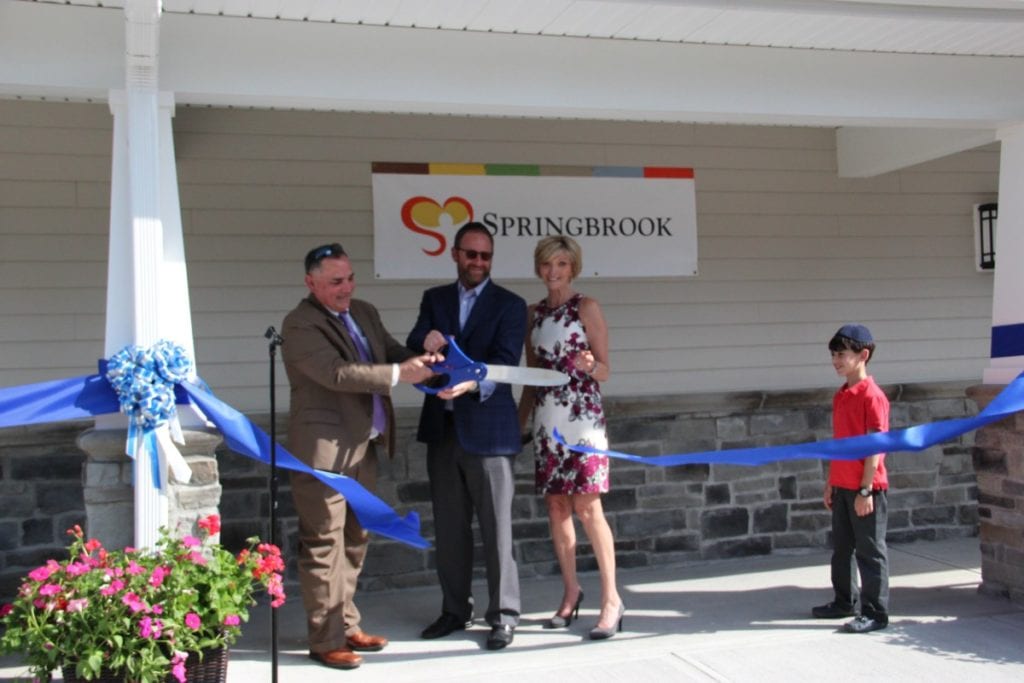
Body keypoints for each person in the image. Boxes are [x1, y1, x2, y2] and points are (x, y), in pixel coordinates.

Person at [282, 243, 439, 670]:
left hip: (363, 446)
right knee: (323, 543)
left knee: (355, 537)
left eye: (350, 278)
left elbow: (390, 350)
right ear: (311, 283)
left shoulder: (364, 311)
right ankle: (325, 640)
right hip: (323, 454)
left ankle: (347, 624)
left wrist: (426, 364)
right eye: (336, 281)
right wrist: (399, 374)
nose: (347, 288)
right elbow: (337, 373)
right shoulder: (299, 323)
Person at [407, 222, 527, 651]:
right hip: (443, 431)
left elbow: (506, 361)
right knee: (450, 529)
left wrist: (472, 384)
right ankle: (455, 610)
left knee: (497, 530)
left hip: (489, 432)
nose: (478, 262)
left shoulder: (510, 305)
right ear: (455, 254)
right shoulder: (434, 298)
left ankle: (504, 615)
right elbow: (414, 341)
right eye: (471, 254)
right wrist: (425, 338)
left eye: (485, 256)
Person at [518, 236, 624, 640]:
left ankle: (611, 599)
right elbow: (531, 376)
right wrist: (518, 422)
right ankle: (570, 591)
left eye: (561, 264)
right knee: (557, 506)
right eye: (547, 264)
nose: (554, 271)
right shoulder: (532, 314)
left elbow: (606, 371)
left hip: (582, 419)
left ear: (573, 267)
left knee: (587, 507)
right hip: (547, 419)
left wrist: (591, 365)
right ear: (538, 267)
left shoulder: (586, 307)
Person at [812, 323, 891, 634]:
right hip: (842, 485)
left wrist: (865, 489)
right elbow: (840, 443)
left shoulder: (872, 396)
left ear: (863, 355)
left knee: (869, 551)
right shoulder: (842, 395)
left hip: (866, 488)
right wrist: (831, 481)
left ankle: (875, 613)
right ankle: (844, 601)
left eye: (842, 354)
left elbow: (876, 447)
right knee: (842, 549)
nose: (836, 361)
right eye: (833, 355)